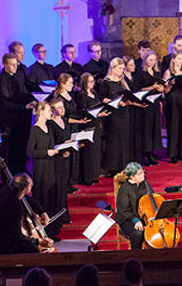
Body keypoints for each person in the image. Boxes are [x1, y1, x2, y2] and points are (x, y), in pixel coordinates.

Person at [0, 173, 54, 254]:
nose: (32, 185)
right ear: (25, 189)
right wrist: (37, 241)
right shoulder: (14, 207)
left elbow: (27, 198)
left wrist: (42, 212)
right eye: (31, 185)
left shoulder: (9, 190)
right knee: (32, 249)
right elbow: (16, 236)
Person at [26, 101, 64, 239]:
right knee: (43, 198)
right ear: (41, 112)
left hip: (51, 166)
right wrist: (46, 153)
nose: (51, 112)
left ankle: (52, 231)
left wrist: (60, 151)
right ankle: (43, 233)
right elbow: (30, 151)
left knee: (51, 197)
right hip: (41, 168)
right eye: (48, 110)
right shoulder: (35, 129)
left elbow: (52, 147)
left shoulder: (48, 127)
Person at [0, 53, 35, 175]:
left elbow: (22, 93)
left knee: (21, 146)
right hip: (10, 121)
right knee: (11, 148)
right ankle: (11, 174)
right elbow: (5, 103)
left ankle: (21, 171)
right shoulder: (2, 81)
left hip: (21, 119)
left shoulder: (17, 77)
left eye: (15, 64)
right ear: (5, 65)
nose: (14, 67)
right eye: (11, 65)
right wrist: (24, 106)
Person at [99, 57, 132, 173]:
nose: (121, 71)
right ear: (113, 68)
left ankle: (123, 165)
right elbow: (102, 98)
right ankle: (112, 167)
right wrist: (115, 102)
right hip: (113, 114)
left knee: (123, 139)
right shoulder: (106, 82)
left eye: (122, 68)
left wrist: (128, 100)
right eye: (119, 68)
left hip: (124, 113)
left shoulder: (122, 81)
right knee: (114, 140)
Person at [76, 73, 109, 184]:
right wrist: (98, 114)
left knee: (96, 152)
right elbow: (83, 111)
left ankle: (94, 175)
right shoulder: (81, 95)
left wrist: (102, 112)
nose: (92, 83)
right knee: (89, 153)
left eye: (93, 81)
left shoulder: (94, 93)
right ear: (84, 82)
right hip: (88, 125)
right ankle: (87, 177)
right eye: (90, 81)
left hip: (97, 125)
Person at [135, 50, 165, 166]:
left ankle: (151, 153)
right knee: (146, 129)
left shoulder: (156, 72)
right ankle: (144, 155)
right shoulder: (141, 73)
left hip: (155, 102)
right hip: (145, 103)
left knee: (154, 128)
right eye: (150, 59)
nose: (152, 62)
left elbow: (161, 88)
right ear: (145, 60)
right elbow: (139, 88)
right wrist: (152, 87)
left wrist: (161, 89)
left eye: (154, 60)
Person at [47, 97, 73, 228]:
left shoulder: (65, 121)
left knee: (63, 188)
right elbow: (51, 143)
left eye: (63, 106)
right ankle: (58, 217)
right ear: (52, 109)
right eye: (59, 107)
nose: (63, 109)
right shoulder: (50, 124)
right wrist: (63, 149)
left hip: (65, 159)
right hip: (55, 160)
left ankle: (64, 215)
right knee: (57, 188)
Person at [163, 52, 182, 163]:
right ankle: (173, 154)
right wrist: (170, 84)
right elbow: (165, 90)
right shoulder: (168, 72)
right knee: (173, 126)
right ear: (173, 60)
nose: (181, 61)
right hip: (172, 100)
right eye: (178, 58)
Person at [115, 162, 152, 249]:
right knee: (138, 233)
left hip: (144, 216)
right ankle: (137, 255)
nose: (143, 175)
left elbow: (152, 199)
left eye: (143, 172)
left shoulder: (145, 184)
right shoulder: (124, 189)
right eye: (139, 174)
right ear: (132, 177)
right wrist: (135, 220)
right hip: (128, 219)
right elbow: (123, 210)